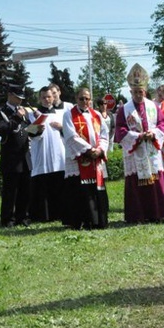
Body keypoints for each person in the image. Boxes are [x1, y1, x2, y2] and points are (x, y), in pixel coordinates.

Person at [115, 63, 164, 223]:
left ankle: (157, 214)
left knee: (155, 180)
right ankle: (138, 215)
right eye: (135, 92)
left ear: (145, 91)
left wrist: (152, 133)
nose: (138, 94)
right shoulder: (123, 110)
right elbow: (120, 129)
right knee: (136, 182)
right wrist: (137, 137)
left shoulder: (153, 106)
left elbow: (162, 124)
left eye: (141, 91)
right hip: (136, 150)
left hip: (151, 148)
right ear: (131, 91)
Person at [62, 88, 109, 229]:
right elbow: (71, 136)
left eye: (87, 99)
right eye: (81, 98)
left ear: (91, 100)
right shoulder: (69, 114)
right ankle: (82, 221)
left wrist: (100, 149)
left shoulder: (97, 115)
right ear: (76, 99)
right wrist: (88, 150)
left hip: (96, 158)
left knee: (96, 189)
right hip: (79, 158)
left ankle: (99, 220)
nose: (84, 102)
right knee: (80, 191)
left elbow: (104, 135)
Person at [27, 86, 66, 222]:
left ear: (53, 97)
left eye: (49, 96)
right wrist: (37, 128)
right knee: (42, 186)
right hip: (42, 154)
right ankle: (42, 215)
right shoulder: (33, 115)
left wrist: (62, 128)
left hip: (58, 153)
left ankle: (60, 213)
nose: (46, 99)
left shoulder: (61, 113)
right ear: (39, 98)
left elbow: (69, 133)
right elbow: (30, 133)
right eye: (43, 97)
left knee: (59, 185)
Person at [0, 84, 32, 227]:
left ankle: (22, 217)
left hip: (24, 157)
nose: (20, 101)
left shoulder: (23, 111)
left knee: (25, 191)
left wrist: (38, 129)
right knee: (11, 192)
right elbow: (3, 130)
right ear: (10, 95)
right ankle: (8, 219)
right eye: (18, 98)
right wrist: (16, 118)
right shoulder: (1, 112)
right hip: (11, 159)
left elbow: (28, 129)